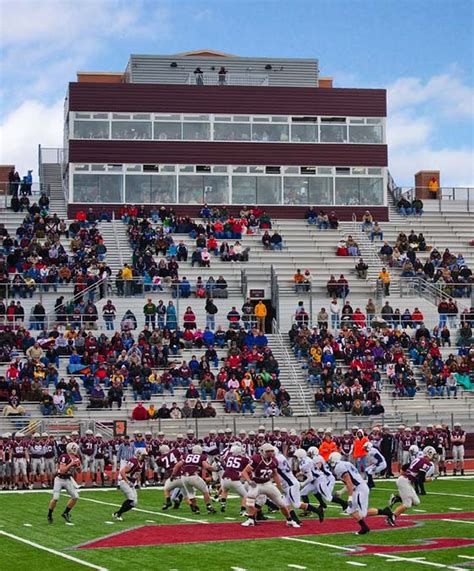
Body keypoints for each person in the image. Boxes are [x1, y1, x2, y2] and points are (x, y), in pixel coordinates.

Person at [328, 452, 394, 534]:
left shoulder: (339, 467)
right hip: (358, 488)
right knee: (350, 510)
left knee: (363, 514)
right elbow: (351, 481)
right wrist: (342, 491)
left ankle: (385, 511)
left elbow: (349, 482)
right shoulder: (346, 464)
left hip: (360, 489)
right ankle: (364, 527)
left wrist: (350, 497)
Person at [240, 443, 300, 528]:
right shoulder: (256, 459)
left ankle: (289, 520)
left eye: (271, 451)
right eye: (268, 451)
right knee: (250, 496)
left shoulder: (274, 460)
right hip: (256, 483)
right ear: (262, 451)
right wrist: (249, 481)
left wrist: (280, 487)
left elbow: (275, 474)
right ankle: (250, 519)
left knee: (281, 503)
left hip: (267, 483)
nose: (270, 453)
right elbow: (244, 472)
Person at [389, 446, 437, 521]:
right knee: (407, 504)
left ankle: (397, 498)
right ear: (429, 453)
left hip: (405, 480)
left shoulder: (419, 459)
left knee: (416, 502)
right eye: (433, 454)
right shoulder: (425, 462)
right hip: (405, 481)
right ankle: (391, 517)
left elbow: (406, 467)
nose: (434, 456)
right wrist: (431, 479)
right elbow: (420, 479)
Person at [47, 442, 81, 524]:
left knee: (75, 496)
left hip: (68, 479)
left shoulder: (76, 458)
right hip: (59, 479)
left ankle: (65, 513)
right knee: (55, 498)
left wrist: (78, 466)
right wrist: (71, 464)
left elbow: (79, 471)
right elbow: (62, 471)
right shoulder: (64, 457)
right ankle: (49, 514)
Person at [113, 448, 148, 521]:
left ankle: (117, 513)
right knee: (131, 498)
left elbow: (137, 474)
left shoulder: (142, 463)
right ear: (138, 454)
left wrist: (138, 483)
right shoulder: (133, 461)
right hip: (124, 481)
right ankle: (118, 514)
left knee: (134, 503)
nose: (145, 457)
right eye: (143, 455)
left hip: (131, 483)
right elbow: (122, 472)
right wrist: (128, 481)